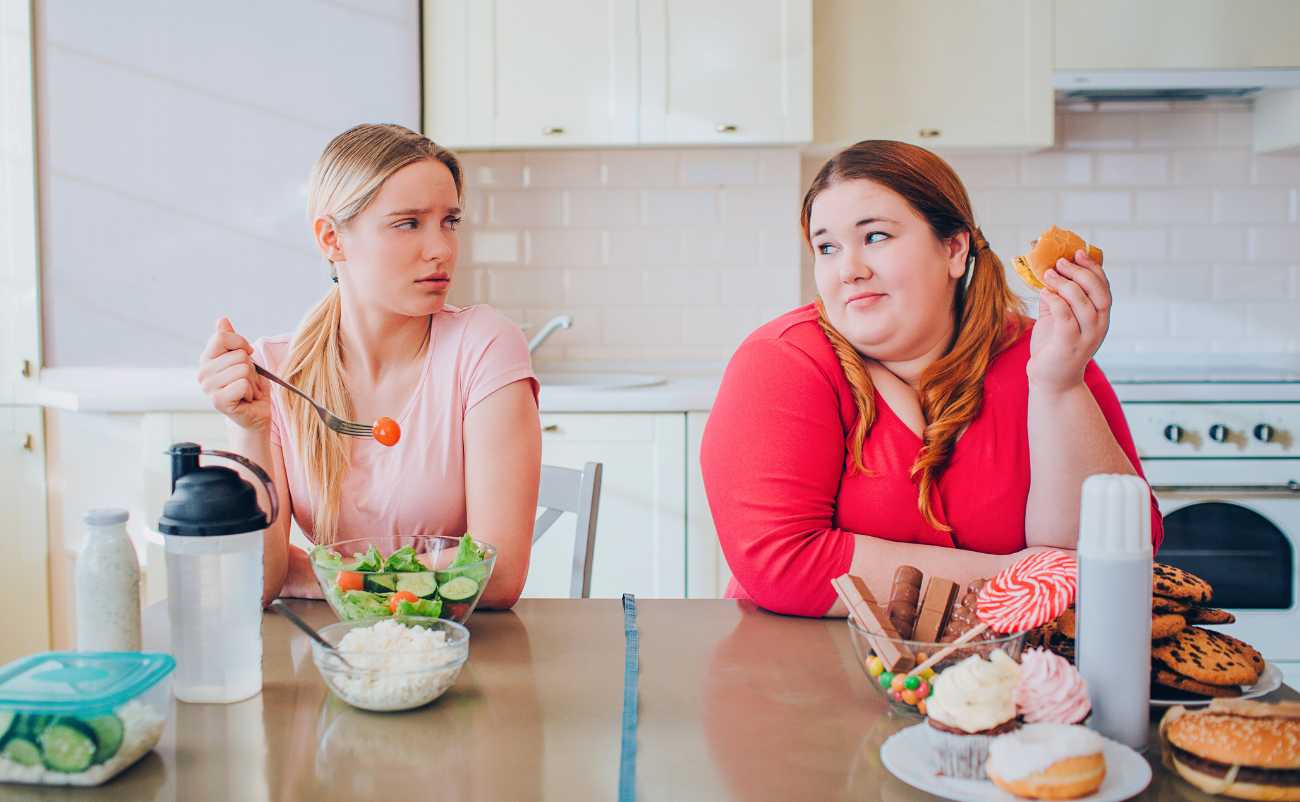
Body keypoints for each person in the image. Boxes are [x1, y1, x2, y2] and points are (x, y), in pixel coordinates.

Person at [701, 139, 1162, 617]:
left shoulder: (1047, 353)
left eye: (875, 236)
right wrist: (1011, 579)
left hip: (1010, 677)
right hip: (804, 669)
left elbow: (1112, 556)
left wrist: (1058, 387)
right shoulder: (783, 361)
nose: (849, 270)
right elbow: (783, 562)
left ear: (954, 249)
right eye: (827, 247)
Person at [197, 123, 540, 608]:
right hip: (333, 648)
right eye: (408, 223)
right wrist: (250, 428)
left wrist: (316, 573)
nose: (441, 248)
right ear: (332, 238)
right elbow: (259, 583)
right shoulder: (277, 369)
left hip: (452, 649)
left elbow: (498, 575)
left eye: (450, 221)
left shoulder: (484, 346)